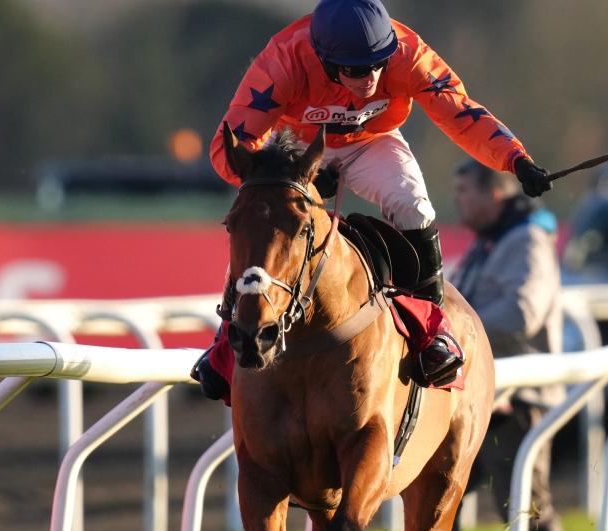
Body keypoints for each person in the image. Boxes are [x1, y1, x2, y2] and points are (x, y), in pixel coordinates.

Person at [191, 0, 558, 401]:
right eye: (355, 70)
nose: (370, 79)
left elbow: (459, 111)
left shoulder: (408, 53)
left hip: (372, 140)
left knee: (414, 205)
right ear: (325, 61)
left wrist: (515, 160)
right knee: (265, 219)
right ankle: (225, 344)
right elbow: (229, 150)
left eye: (377, 65)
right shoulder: (283, 62)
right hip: (298, 148)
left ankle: (433, 333)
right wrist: (293, 176)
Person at [425, 158, 577, 531]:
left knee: (529, 511)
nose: (457, 201)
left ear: (494, 193)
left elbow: (523, 312)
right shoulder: (492, 241)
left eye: (464, 191)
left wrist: (457, 331)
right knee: (436, 500)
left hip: (519, 401)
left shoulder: (527, 241)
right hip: (480, 398)